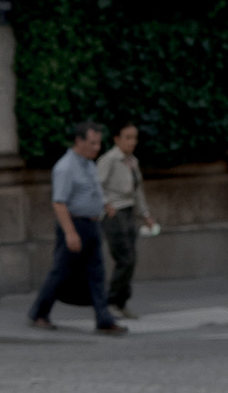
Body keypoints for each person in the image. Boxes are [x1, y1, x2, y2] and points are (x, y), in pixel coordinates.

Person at [28, 120, 127, 333]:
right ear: (79, 141)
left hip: (92, 224)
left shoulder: (89, 164)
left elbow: (92, 190)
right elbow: (59, 202)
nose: (97, 148)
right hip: (75, 223)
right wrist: (70, 232)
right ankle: (39, 312)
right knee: (60, 271)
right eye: (92, 143)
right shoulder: (65, 167)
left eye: (98, 143)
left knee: (97, 273)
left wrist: (104, 204)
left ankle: (104, 319)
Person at [98, 119, 153, 316]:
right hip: (115, 212)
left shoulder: (132, 161)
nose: (132, 142)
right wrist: (106, 204)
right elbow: (97, 185)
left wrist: (146, 214)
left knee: (131, 258)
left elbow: (138, 191)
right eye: (128, 138)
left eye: (134, 138)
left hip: (129, 211)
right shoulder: (110, 159)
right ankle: (112, 301)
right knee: (125, 258)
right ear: (117, 139)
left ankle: (121, 302)